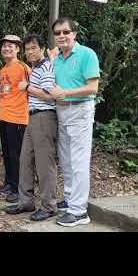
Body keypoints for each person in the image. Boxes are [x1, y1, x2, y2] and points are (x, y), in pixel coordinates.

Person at [48, 17, 100, 227]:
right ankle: (70, 199)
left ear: (74, 34)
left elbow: (92, 87)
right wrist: (51, 61)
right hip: (62, 111)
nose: (61, 36)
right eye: (58, 33)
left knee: (79, 161)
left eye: (65, 32)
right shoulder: (58, 59)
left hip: (80, 109)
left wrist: (66, 92)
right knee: (67, 159)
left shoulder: (87, 54)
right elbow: (49, 83)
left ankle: (79, 211)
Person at [6, 34, 58, 221]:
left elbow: (49, 95)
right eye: (27, 49)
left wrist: (26, 87)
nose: (30, 52)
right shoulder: (36, 68)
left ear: (42, 48)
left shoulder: (46, 66)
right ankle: (26, 201)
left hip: (44, 117)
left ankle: (49, 206)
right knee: (25, 160)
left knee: (45, 164)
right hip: (33, 117)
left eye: (33, 48)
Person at [0, 35, 31, 203]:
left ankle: (19, 188)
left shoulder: (23, 67)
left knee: (17, 155)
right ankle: (10, 182)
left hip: (18, 118)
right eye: (4, 46)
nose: (7, 49)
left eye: (11, 46)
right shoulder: (3, 70)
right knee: (7, 153)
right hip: (4, 116)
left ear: (18, 49)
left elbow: (33, 90)